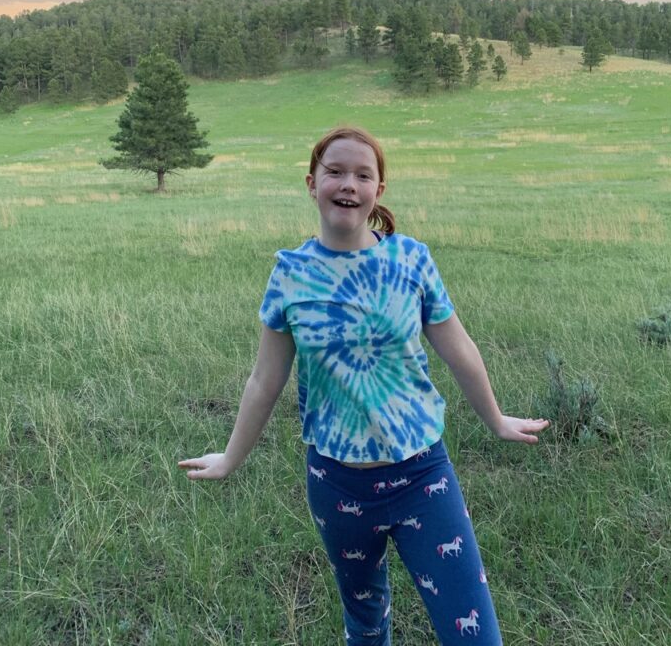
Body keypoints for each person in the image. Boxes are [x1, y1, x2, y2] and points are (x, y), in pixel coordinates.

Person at [179, 126, 549, 644]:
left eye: (362, 174)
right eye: (335, 171)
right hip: (336, 484)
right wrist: (229, 458)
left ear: (379, 190)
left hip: (423, 476)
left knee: (475, 633)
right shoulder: (291, 274)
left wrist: (496, 419)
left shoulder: (411, 261)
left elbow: (459, 349)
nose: (347, 183)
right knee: (366, 622)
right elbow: (265, 379)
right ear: (312, 183)